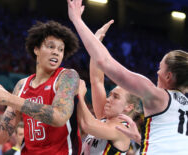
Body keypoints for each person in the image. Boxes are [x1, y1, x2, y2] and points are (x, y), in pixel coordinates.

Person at [67, 0, 188, 154]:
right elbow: (97, 80)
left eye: (160, 68)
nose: (156, 73)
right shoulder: (183, 107)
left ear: (169, 76)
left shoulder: (157, 98)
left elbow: (105, 62)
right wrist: (140, 139)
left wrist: (77, 19)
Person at [0, 20, 82, 154]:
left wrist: (8, 98)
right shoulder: (22, 85)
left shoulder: (67, 76)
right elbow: (1, 136)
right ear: (36, 49)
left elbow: (59, 117)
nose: (56, 52)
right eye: (51, 47)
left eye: (60, 49)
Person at [77, 22, 141, 155]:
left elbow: (87, 125)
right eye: (110, 94)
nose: (108, 99)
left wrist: (81, 98)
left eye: (115, 97)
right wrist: (96, 41)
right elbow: (97, 81)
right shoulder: (105, 118)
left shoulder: (121, 129)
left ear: (129, 106)